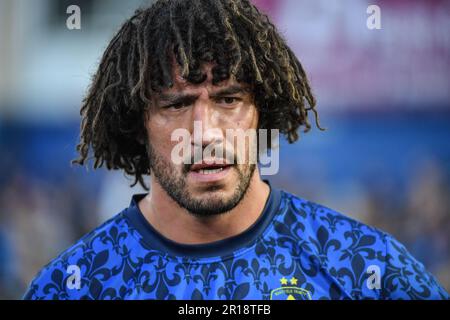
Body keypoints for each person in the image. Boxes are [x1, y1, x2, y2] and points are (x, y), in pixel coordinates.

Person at [24, 0, 448, 300]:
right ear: (137, 126)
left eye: (228, 100)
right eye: (177, 104)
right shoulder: (75, 285)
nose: (205, 132)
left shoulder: (365, 267)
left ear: (264, 112)